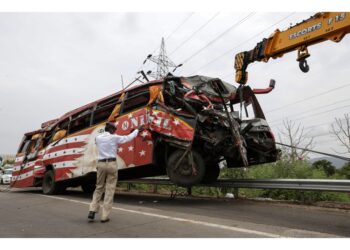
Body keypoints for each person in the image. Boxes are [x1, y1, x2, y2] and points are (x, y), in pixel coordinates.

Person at [88, 122, 142, 223]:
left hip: (101, 164)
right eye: (115, 130)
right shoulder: (114, 137)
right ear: (112, 130)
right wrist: (137, 130)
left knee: (99, 187)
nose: (115, 131)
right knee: (110, 189)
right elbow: (128, 138)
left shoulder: (98, 138)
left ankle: (92, 210)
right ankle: (104, 216)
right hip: (112, 164)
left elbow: (97, 143)